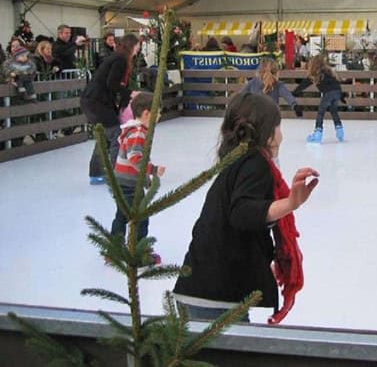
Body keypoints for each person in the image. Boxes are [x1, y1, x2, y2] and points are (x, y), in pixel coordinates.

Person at [173, 92, 320, 323]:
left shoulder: (237, 161)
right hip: (216, 298)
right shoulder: (255, 163)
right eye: (278, 126)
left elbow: (237, 230)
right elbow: (242, 214)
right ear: (267, 132)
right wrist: (291, 203)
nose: (281, 136)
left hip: (200, 286)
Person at [111, 92, 165, 264]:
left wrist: (146, 180)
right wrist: (153, 170)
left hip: (122, 180)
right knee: (140, 217)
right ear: (147, 114)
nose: (160, 116)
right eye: (158, 112)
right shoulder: (138, 132)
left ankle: (114, 250)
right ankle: (139, 251)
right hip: (128, 183)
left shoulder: (133, 129)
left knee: (122, 215)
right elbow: (135, 159)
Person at [80, 34, 139, 185]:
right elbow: (112, 83)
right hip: (97, 102)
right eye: (138, 45)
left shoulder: (116, 57)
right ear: (132, 45)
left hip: (93, 100)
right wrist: (129, 93)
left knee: (104, 136)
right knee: (116, 135)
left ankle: (96, 173)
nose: (139, 49)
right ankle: (115, 173)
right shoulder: (120, 60)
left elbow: (113, 84)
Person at [292, 54, 345, 143]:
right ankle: (340, 132)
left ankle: (318, 134)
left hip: (328, 93)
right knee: (334, 111)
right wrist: (341, 95)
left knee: (321, 112)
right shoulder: (329, 71)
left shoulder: (315, 73)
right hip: (337, 92)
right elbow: (336, 83)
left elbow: (304, 84)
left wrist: (294, 92)